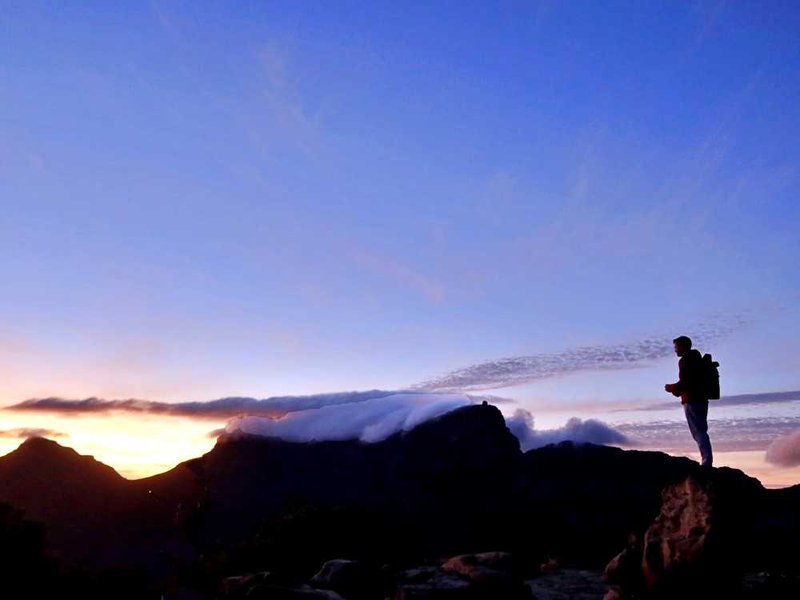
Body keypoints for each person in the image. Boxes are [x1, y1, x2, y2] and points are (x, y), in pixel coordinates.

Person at [664, 335, 713, 468]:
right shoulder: (696, 359)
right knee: (701, 430)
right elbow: (692, 381)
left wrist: (671, 388)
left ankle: (706, 461)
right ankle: (707, 460)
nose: (675, 350)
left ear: (682, 346)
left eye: (676, 347)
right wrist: (677, 390)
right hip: (702, 399)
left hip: (691, 400)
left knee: (698, 432)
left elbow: (686, 382)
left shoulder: (685, 361)